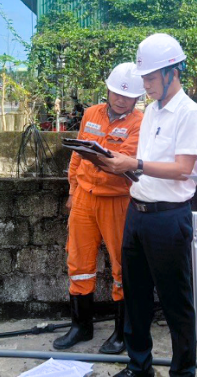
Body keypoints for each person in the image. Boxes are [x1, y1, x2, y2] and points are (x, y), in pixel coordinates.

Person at [100, 33, 197, 377]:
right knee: (136, 296)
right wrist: (119, 164)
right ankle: (139, 365)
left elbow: (184, 169)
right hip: (139, 212)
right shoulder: (151, 112)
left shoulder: (189, 114)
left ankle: (182, 371)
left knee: (176, 301)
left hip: (168, 218)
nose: (143, 84)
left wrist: (134, 165)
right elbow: (145, 162)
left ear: (171, 72)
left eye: (149, 77)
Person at [54, 62, 145, 354]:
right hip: (83, 197)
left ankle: (122, 332)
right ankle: (81, 326)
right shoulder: (92, 113)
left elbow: (124, 159)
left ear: (136, 99)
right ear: (107, 89)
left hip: (117, 201)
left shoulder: (139, 123)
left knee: (121, 266)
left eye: (127, 95)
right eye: (116, 92)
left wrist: (100, 158)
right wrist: (72, 189)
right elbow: (78, 157)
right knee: (78, 262)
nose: (120, 99)